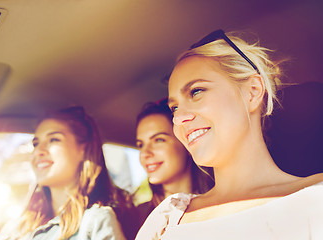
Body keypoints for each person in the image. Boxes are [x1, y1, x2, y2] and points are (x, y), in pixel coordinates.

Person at [135, 29, 323, 239]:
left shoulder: (316, 197)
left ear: (252, 91)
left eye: (196, 91)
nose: (179, 119)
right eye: (175, 108)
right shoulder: (167, 216)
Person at [0, 106, 131, 240]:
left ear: (83, 150)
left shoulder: (95, 221)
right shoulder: (17, 226)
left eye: (54, 139)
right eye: (35, 143)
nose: (39, 150)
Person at [134, 98, 214, 231]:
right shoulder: (134, 217)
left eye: (158, 140)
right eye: (140, 145)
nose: (145, 153)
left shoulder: (220, 207)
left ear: (186, 141)